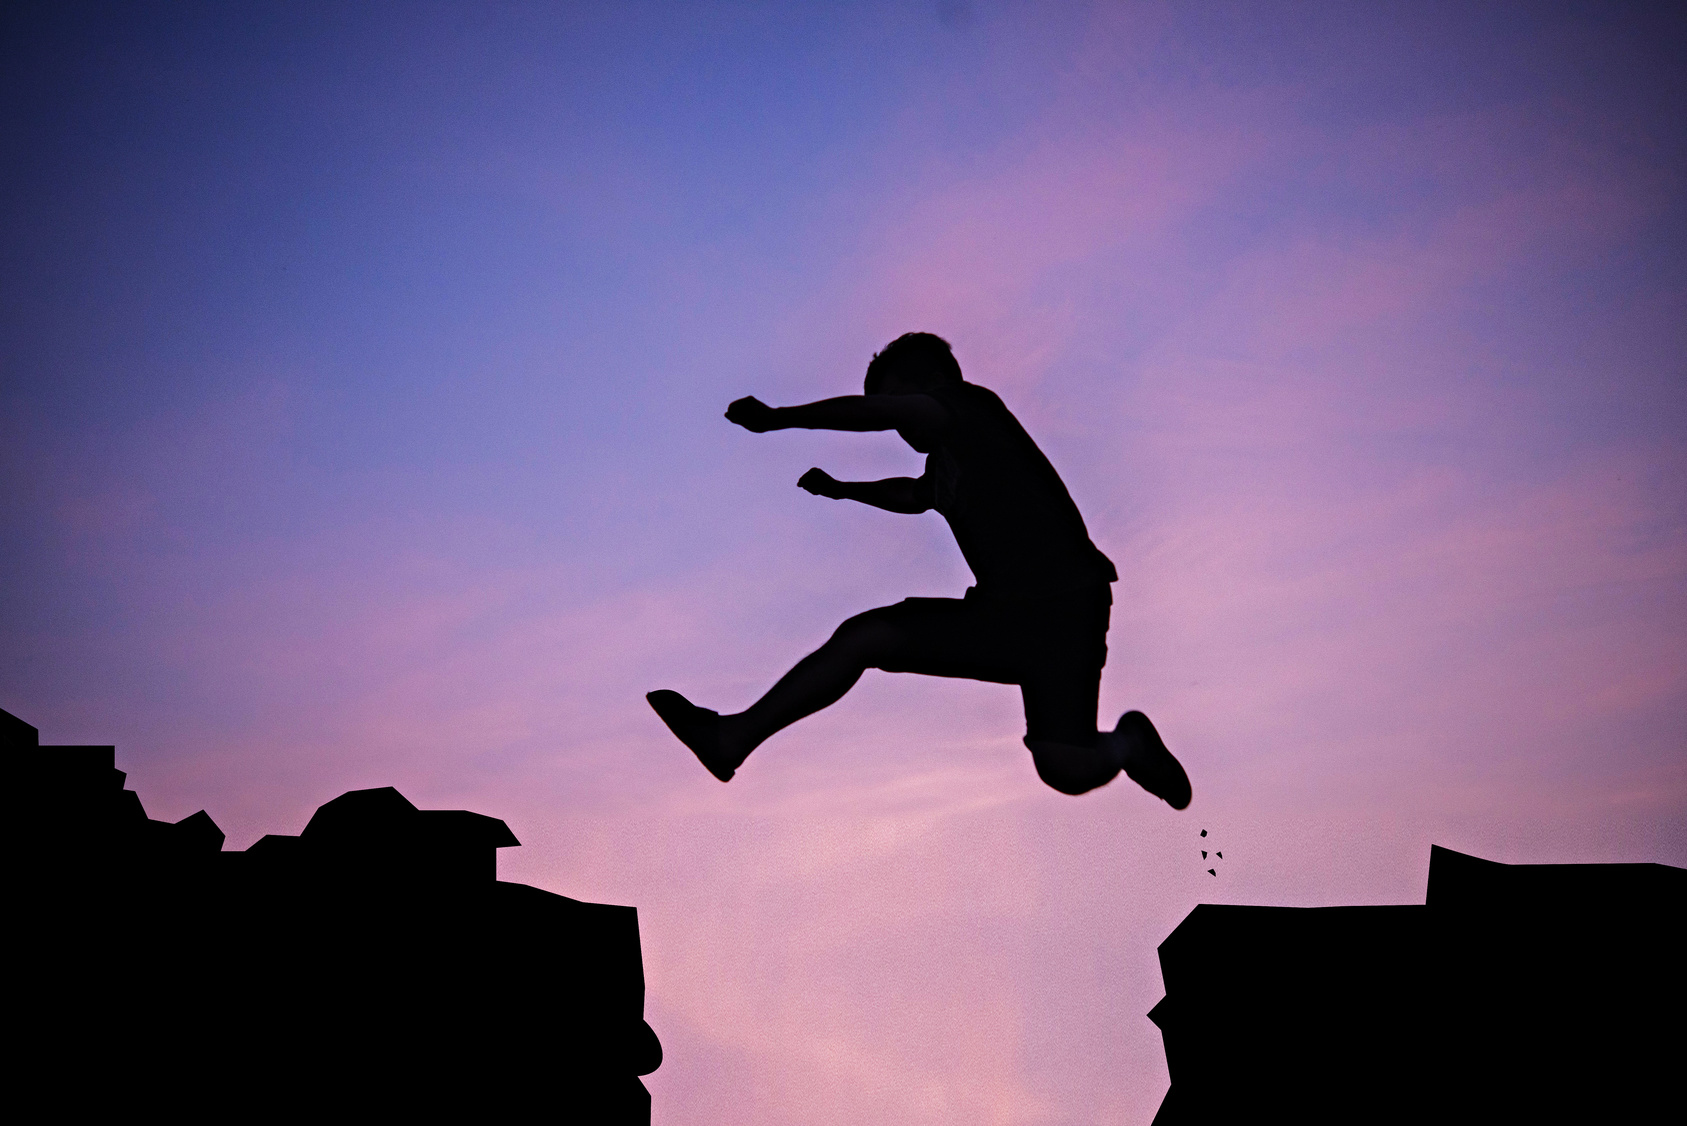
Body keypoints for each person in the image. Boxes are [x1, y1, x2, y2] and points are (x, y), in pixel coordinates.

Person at [647, 332, 1190, 806]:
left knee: (1062, 764)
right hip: (1003, 617)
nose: (898, 429)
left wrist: (780, 419)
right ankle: (731, 740)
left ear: (927, 381)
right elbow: (912, 494)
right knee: (1056, 764)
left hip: (1066, 606)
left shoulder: (970, 409)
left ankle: (1127, 743)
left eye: (892, 405)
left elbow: (890, 416)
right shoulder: (946, 464)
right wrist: (842, 490)